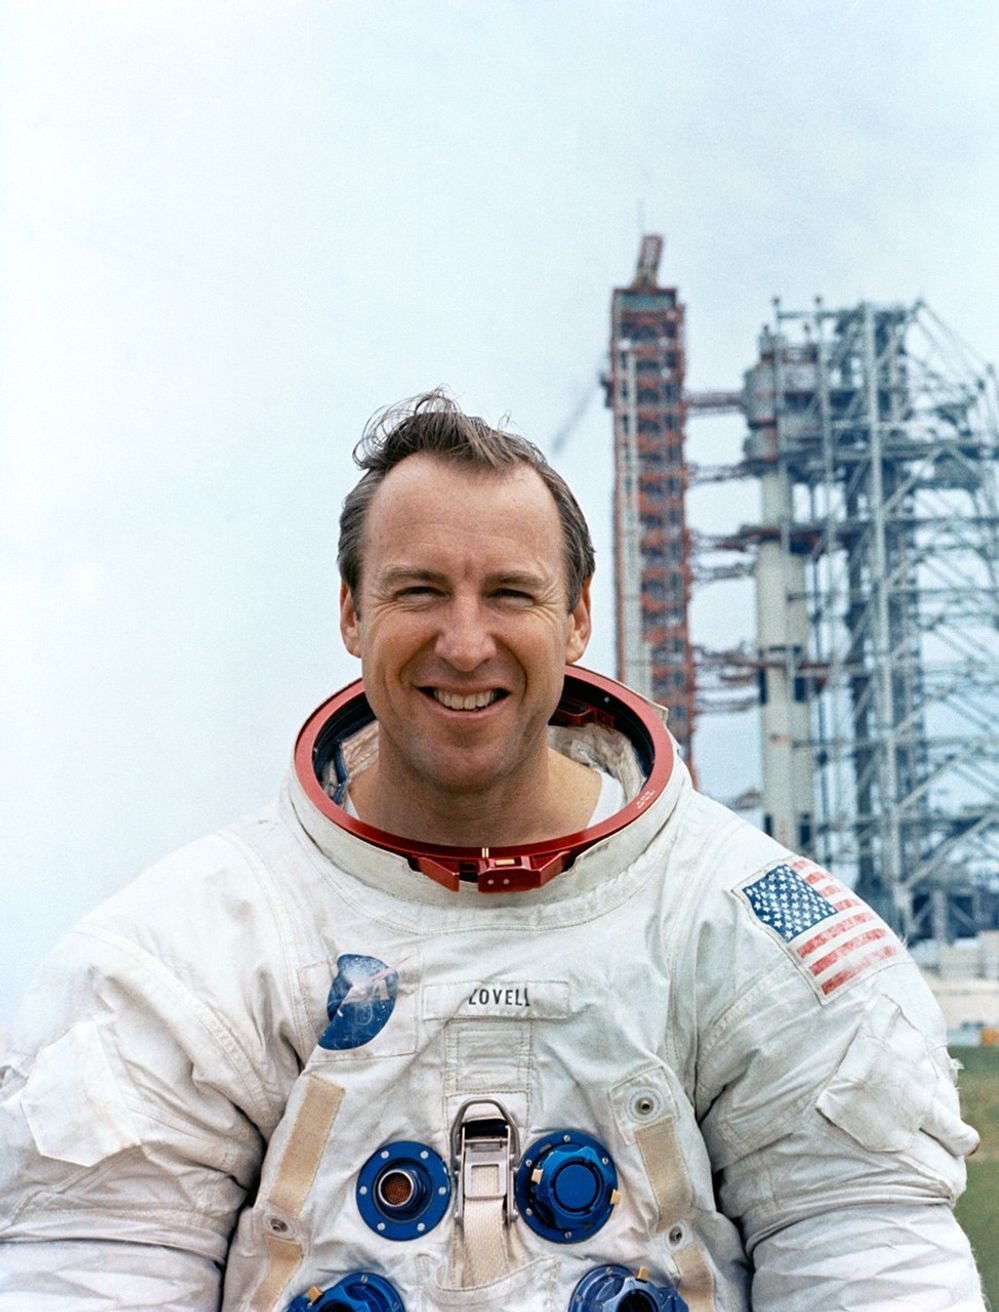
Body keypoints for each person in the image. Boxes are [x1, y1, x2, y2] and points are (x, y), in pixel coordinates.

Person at [0, 391, 985, 1312]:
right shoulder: (195, 947)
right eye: (420, 590)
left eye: (510, 593)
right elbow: (90, 1273)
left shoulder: (744, 921)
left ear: (579, 615)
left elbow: (873, 1264)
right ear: (351, 611)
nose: (465, 644)